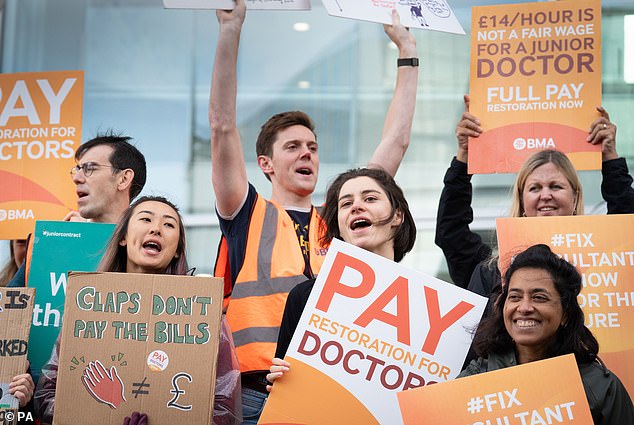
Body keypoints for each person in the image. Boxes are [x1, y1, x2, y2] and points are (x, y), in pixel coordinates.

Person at [210, 1, 419, 421]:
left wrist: (407, 53)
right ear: (265, 164)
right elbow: (221, 125)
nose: (307, 153)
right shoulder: (248, 213)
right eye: (293, 147)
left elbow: (395, 143)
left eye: (313, 147)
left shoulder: (347, 217)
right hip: (257, 392)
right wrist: (230, 31)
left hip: (338, 390)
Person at [33, 196, 242, 425]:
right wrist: (104, 414)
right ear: (123, 238)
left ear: (176, 250)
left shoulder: (203, 315)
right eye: (145, 219)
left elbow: (224, 407)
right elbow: (48, 395)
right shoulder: (89, 307)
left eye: (169, 224)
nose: (156, 229)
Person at [435, 95, 634, 294]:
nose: (545, 195)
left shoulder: (606, 262)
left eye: (556, 186)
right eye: (535, 188)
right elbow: (452, 233)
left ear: (575, 198)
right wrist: (464, 157)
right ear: (522, 202)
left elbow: (628, 226)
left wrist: (609, 157)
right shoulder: (493, 270)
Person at [265, 167, 416, 386]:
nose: (356, 207)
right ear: (339, 227)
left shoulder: (427, 303)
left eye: (370, 198)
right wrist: (280, 380)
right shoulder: (305, 297)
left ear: (397, 216)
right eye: (346, 204)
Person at [459, 244, 634, 425]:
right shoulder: (476, 377)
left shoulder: (601, 388)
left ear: (565, 313)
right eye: (515, 297)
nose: (524, 307)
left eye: (539, 297)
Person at [7, 133, 147, 288]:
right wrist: (71, 241)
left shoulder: (148, 246)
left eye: (90, 168)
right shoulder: (48, 243)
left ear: (124, 179)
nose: (77, 178)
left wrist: (90, 240)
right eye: (78, 169)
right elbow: (8, 308)